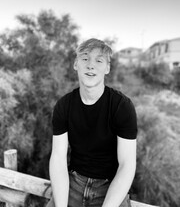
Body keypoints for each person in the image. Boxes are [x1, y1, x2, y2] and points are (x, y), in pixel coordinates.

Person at [47, 38, 137, 207]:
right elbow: (58, 158)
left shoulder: (122, 106)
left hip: (110, 186)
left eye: (99, 60)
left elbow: (127, 164)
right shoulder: (63, 106)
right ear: (76, 64)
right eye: (85, 58)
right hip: (74, 181)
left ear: (107, 68)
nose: (91, 65)